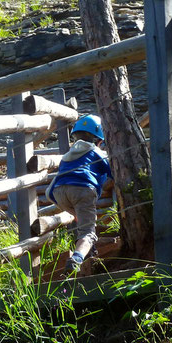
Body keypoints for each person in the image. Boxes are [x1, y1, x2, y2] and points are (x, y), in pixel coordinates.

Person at [46, 114, 113, 276]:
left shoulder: (67, 158)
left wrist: (72, 212)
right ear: (99, 140)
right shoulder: (97, 153)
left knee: (82, 224)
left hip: (58, 193)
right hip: (83, 190)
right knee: (88, 232)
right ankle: (76, 258)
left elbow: (49, 192)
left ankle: (89, 252)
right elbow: (114, 172)